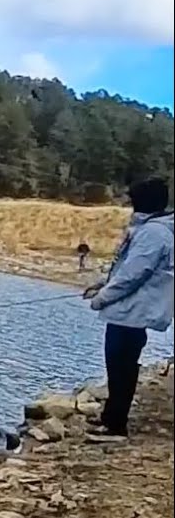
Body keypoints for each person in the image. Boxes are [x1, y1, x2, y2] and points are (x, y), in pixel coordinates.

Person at [82, 176, 174, 438]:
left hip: (132, 313)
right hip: (129, 312)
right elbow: (125, 269)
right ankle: (111, 418)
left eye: (133, 202)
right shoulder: (152, 230)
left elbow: (133, 275)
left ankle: (115, 426)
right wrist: (101, 284)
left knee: (121, 367)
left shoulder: (154, 233)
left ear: (143, 204)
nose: (130, 206)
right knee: (118, 366)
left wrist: (102, 298)